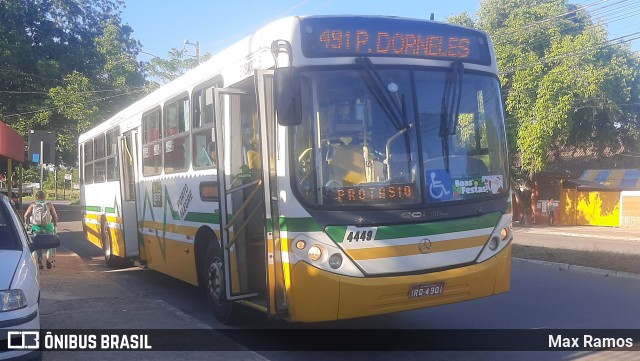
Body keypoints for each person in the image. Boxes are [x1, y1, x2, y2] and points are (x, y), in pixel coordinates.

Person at [24, 190, 58, 269]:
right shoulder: (49, 204)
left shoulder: (33, 205)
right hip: (48, 227)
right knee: (50, 244)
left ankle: (39, 261)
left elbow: (26, 215)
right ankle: (48, 259)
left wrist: (26, 223)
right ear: (44, 197)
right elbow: (55, 217)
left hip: (36, 228)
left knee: (38, 245)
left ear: (36, 197)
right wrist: (55, 224)